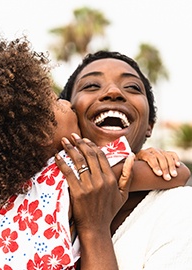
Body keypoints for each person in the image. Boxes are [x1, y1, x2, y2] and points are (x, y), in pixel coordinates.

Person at [0, 35, 189, 270]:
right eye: (55, 102)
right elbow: (174, 173)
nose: (63, 102)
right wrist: (143, 158)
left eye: (132, 87)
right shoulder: (71, 172)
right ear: (38, 133)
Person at [58, 50, 192, 269]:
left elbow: (180, 172)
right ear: (67, 114)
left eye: (132, 87)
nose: (113, 92)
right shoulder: (26, 190)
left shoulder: (181, 210)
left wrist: (94, 229)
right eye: (91, 85)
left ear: (149, 125)